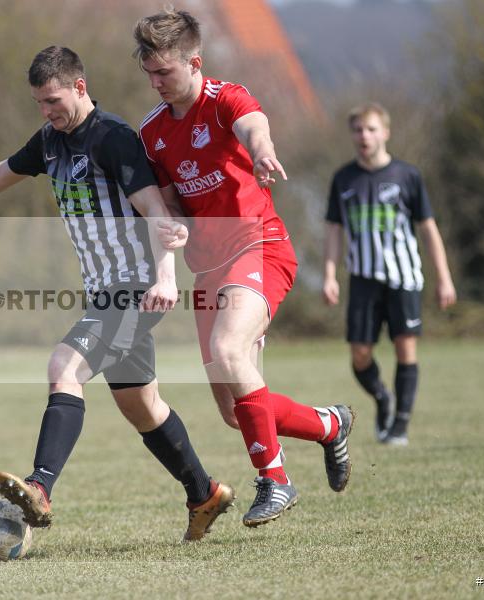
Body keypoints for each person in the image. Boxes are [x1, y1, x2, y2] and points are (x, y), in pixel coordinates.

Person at [0, 46, 234, 542]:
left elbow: (156, 209)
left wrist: (165, 276)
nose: (46, 111)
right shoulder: (50, 143)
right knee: (140, 404)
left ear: (79, 87)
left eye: (52, 100)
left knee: (64, 367)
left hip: (133, 287)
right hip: (104, 291)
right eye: (39, 103)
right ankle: (205, 493)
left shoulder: (113, 138)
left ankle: (40, 486)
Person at [133, 9, 355, 528]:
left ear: (194, 62)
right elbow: (168, 205)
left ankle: (275, 481)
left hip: (259, 247)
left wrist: (262, 152)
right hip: (208, 271)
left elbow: (254, 126)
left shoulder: (225, 98)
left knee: (229, 351)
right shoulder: (152, 131)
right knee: (236, 412)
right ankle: (329, 425)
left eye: (164, 71)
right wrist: (170, 229)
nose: (156, 83)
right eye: (149, 73)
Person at [323, 102, 456, 445]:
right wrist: (329, 275)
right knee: (360, 354)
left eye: (370, 129)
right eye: (358, 130)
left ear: (385, 133)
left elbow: (428, 228)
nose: (364, 136)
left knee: (405, 348)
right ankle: (382, 397)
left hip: (404, 278)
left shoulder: (407, 175)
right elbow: (334, 229)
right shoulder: (343, 178)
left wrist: (444, 277)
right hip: (362, 278)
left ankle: (400, 425)